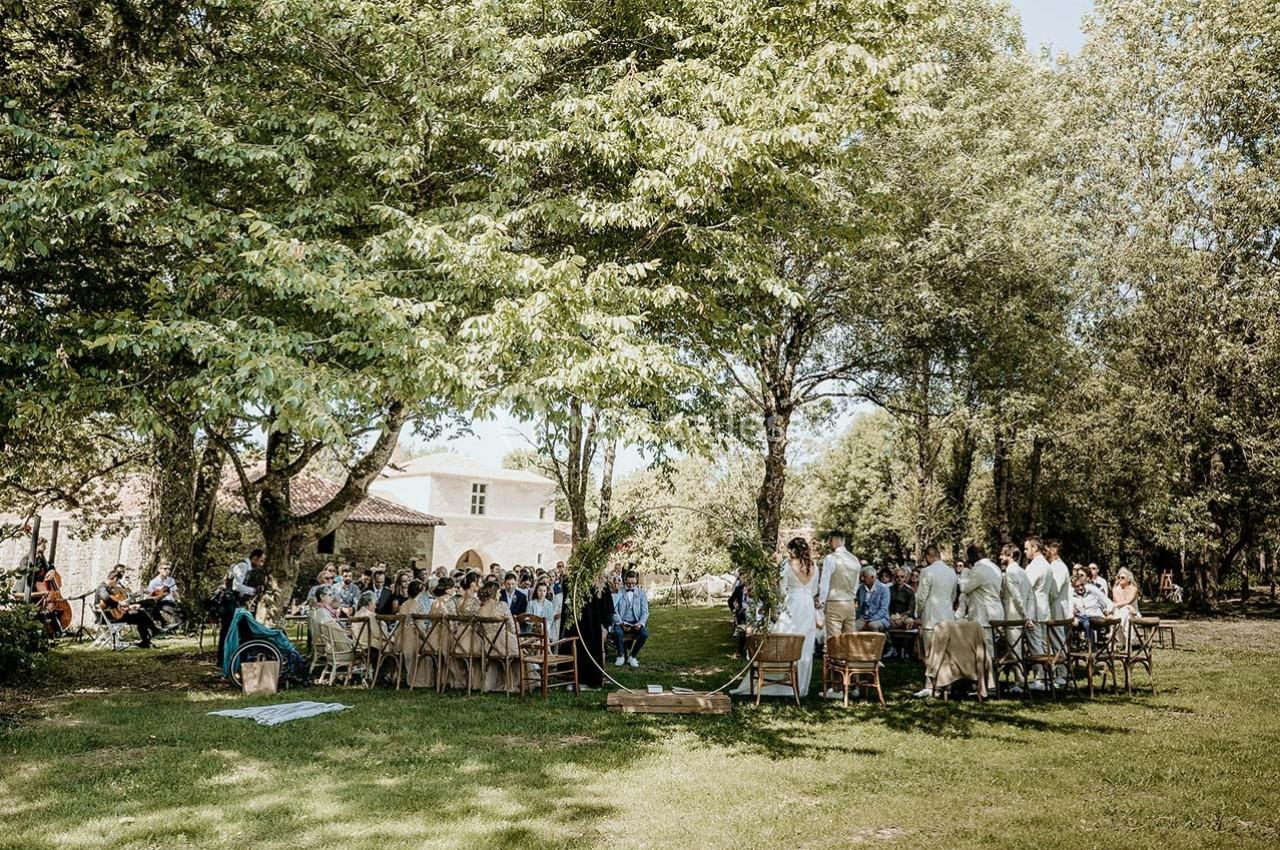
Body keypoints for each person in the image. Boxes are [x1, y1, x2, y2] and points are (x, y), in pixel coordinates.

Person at [734, 537, 819, 699]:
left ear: (792, 550)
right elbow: (814, 590)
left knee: (781, 643)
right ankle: (799, 686)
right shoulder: (814, 567)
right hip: (808, 607)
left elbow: (780, 591)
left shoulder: (787, 565)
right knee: (804, 646)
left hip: (792, 606)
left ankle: (775, 680)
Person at [913, 545, 958, 698]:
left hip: (931, 617)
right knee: (946, 653)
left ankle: (930, 685)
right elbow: (953, 595)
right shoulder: (951, 572)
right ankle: (947, 685)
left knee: (930, 652)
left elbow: (921, 596)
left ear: (928, 556)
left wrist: (919, 613)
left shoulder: (927, 571)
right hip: (947, 615)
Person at [564, 573, 615, 690]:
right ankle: (574, 679)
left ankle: (591, 681)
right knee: (577, 649)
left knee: (592, 650)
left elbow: (606, 606)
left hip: (594, 625)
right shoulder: (574, 579)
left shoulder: (601, 582)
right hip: (577, 624)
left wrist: (605, 625)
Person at [959, 544, 1004, 659]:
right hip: (997, 613)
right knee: (991, 650)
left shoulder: (979, 570)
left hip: (984, 616)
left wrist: (964, 571)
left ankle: (987, 676)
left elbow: (964, 588)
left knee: (985, 653)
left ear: (974, 556)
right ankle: (990, 675)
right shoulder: (995, 567)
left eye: (969, 557)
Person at [817, 530, 862, 639]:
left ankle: (835, 656)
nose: (828, 543)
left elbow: (825, 582)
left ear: (834, 540)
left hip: (834, 602)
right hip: (849, 603)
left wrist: (821, 601)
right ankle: (849, 656)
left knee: (834, 640)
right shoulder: (855, 559)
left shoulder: (830, 558)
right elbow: (856, 583)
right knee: (849, 639)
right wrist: (851, 596)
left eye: (829, 540)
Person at [96, 566, 154, 648]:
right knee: (140, 615)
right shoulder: (102, 587)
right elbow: (106, 599)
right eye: (117, 582)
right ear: (115, 579)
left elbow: (113, 604)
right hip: (107, 617)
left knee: (139, 613)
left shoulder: (107, 588)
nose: (116, 585)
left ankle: (146, 640)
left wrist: (129, 607)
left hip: (111, 615)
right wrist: (121, 603)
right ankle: (148, 638)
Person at [1023, 537, 1053, 691]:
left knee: (1036, 646)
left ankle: (1040, 679)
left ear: (1034, 548)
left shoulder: (1036, 566)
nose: (1025, 551)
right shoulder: (1046, 565)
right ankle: (1047, 678)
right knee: (1041, 644)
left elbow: (1026, 587)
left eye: (1027, 548)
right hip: (1044, 609)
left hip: (1035, 610)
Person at [1044, 539, 1072, 687]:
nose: (1044, 553)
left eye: (1046, 550)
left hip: (1057, 607)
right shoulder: (1052, 567)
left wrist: (1042, 600)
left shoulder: (1059, 567)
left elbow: (1054, 591)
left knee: (1058, 639)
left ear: (1053, 550)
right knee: (1053, 639)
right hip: (1052, 607)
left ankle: (1063, 673)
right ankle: (1057, 671)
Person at [611, 570, 649, 668]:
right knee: (618, 632)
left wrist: (640, 623)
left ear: (636, 581)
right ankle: (621, 656)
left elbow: (645, 611)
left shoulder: (641, 593)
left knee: (644, 634)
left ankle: (632, 656)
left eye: (633, 583)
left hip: (635, 622)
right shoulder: (620, 591)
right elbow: (613, 609)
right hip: (622, 621)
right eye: (628, 583)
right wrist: (620, 623)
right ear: (625, 581)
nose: (631, 585)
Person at [143, 563, 181, 629]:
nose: (167, 571)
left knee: (182, 609)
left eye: (169, 569)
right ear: (159, 570)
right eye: (165, 569)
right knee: (173, 611)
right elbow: (148, 597)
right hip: (162, 602)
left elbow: (175, 592)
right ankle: (182, 628)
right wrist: (161, 595)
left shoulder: (171, 580)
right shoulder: (154, 582)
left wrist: (179, 600)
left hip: (171, 601)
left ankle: (187, 628)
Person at [854, 566, 890, 632]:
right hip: (863, 617)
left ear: (872, 577)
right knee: (853, 627)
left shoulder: (884, 588)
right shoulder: (861, 588)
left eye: (864, 576)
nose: (862, 578)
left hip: (880, 618)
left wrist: (872, 619)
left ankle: (877, 642)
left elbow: (883, 609)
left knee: (873, 625)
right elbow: (858, 606)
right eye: (862, 576)